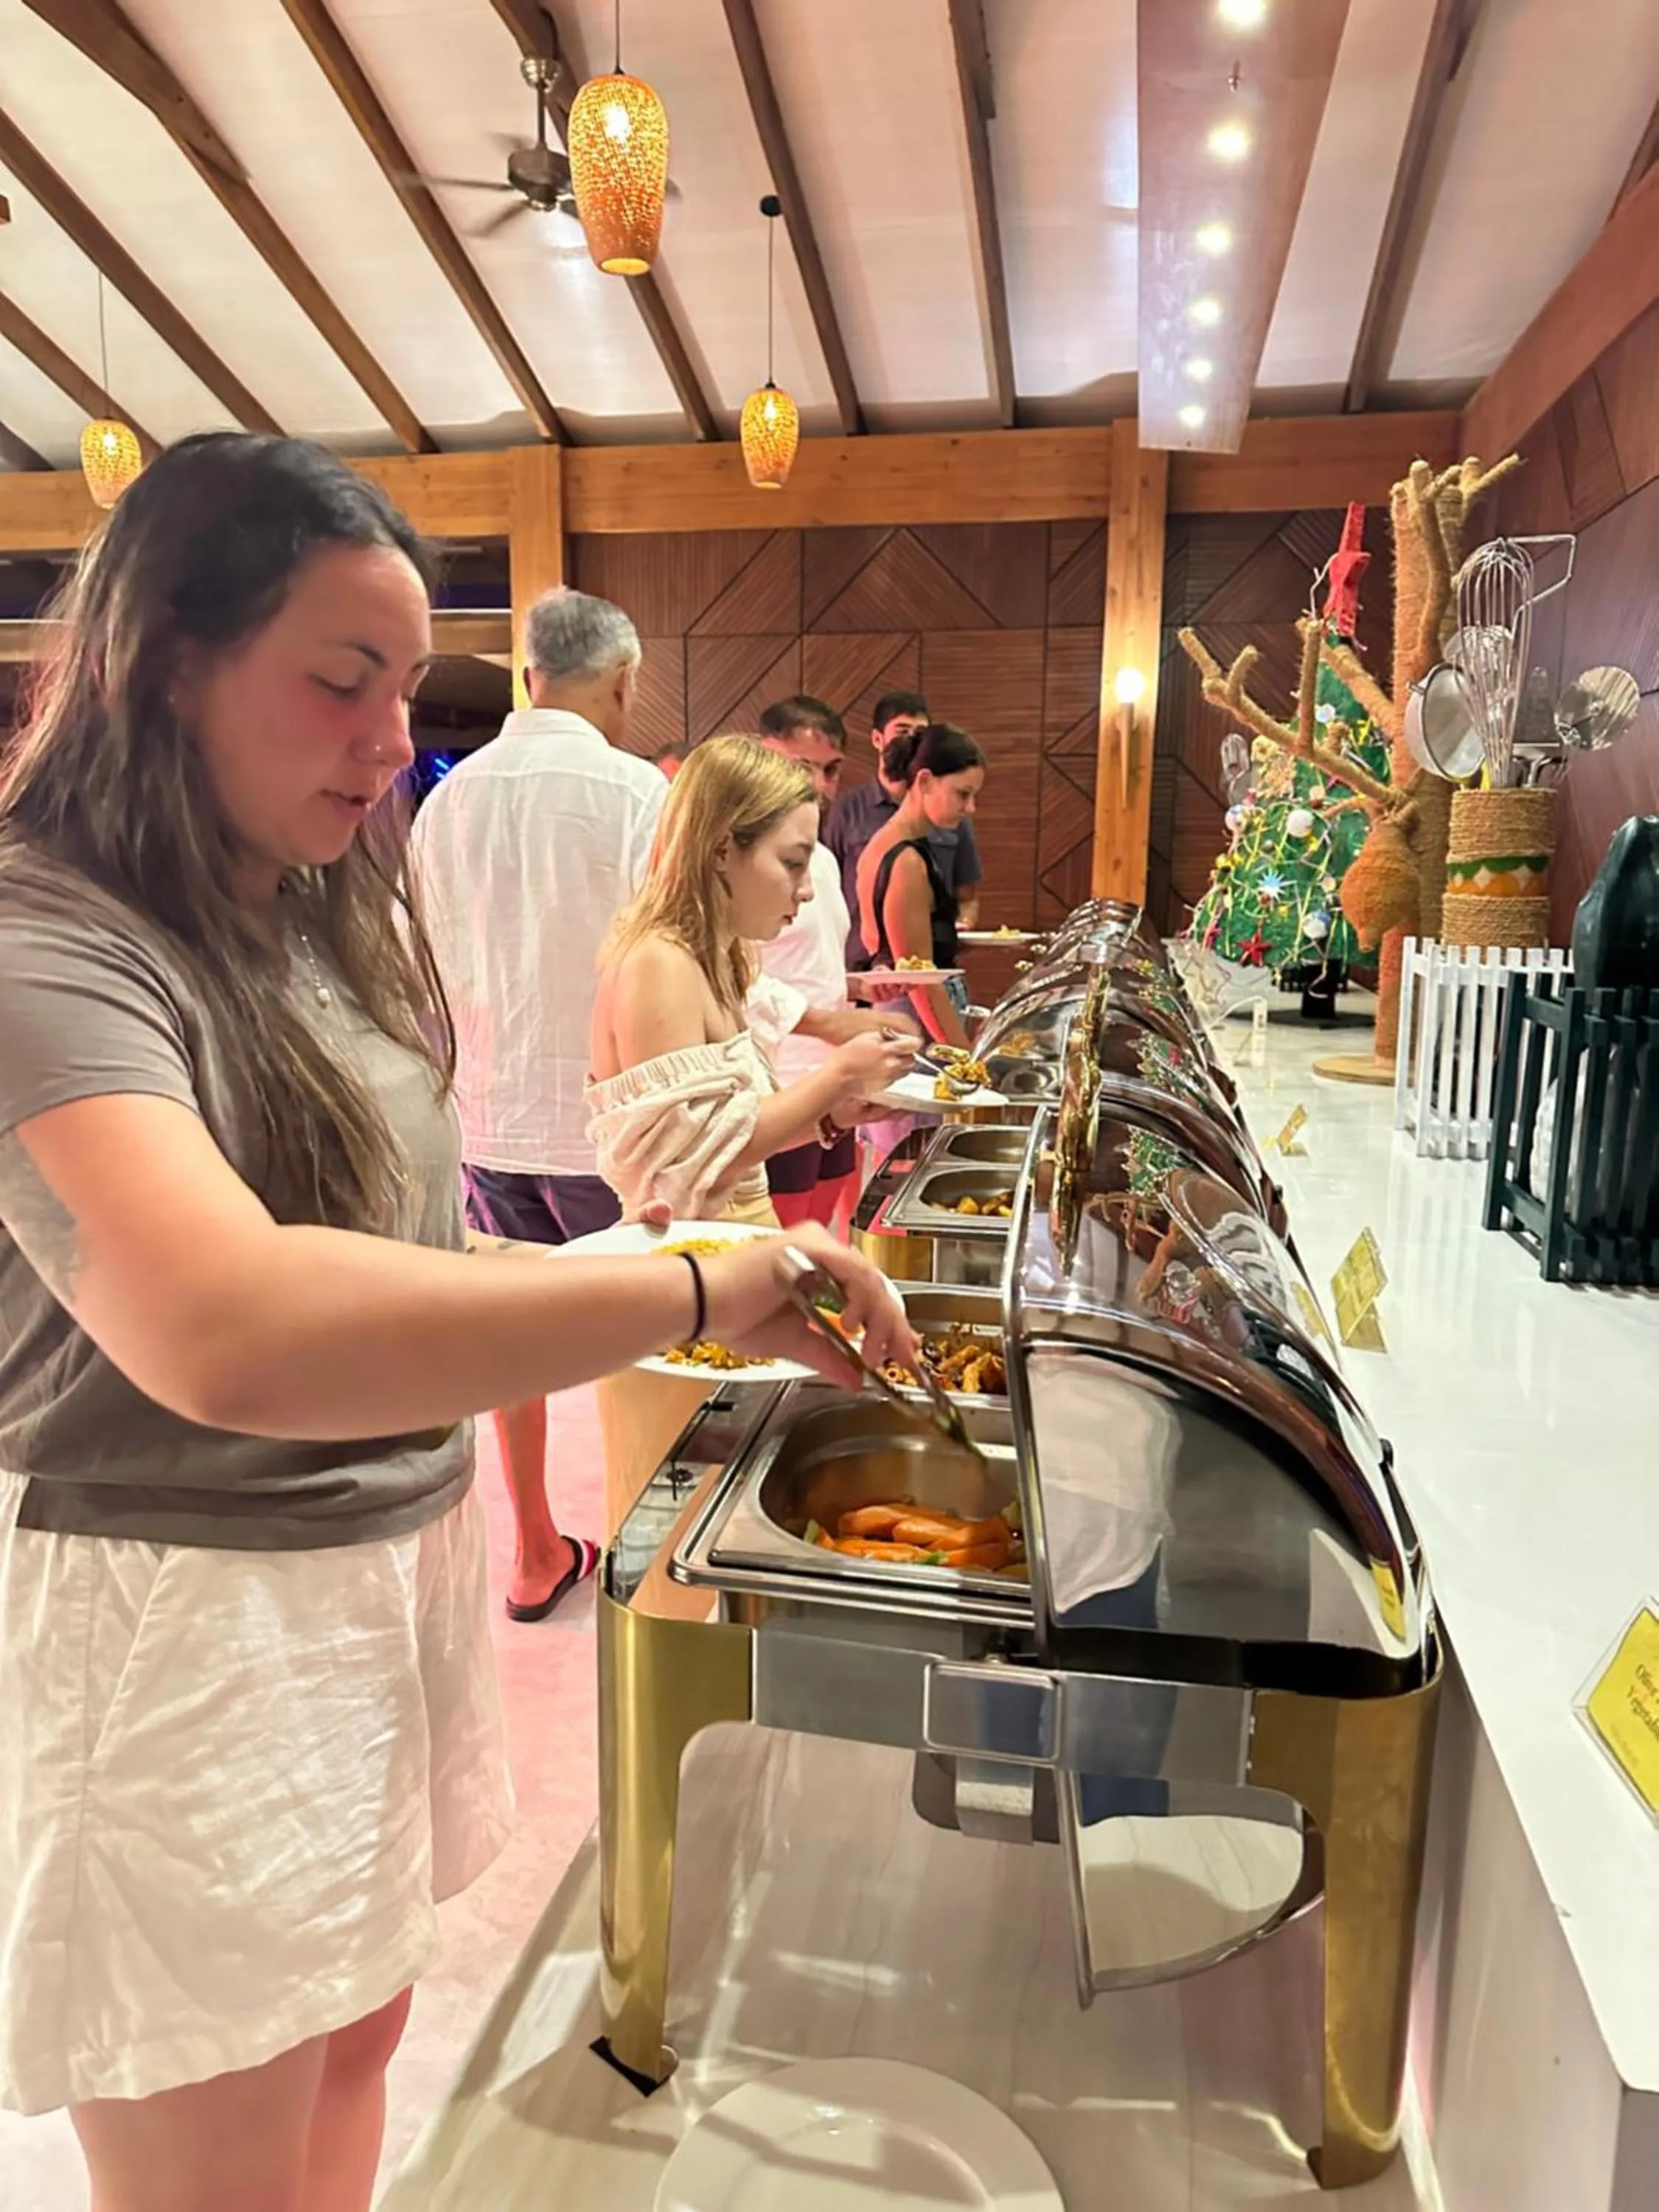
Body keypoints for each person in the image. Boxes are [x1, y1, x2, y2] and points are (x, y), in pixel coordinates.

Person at [0, 434, 915, 2212]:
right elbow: (232, 1322)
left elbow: (415, 1258)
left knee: (353, 2049)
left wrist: (733, 1284)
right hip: (185, 1618)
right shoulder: (48, 942)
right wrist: (694, 1275)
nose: (385, 739)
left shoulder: (311, 919)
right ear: (161, 661)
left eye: (403, 690)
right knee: (215, 2152)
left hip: (376, 1568)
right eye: (340, 685)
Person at [410, 586, 663, 1621]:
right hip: (607, 1118)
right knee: (636, 1343)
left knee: (515, 1343)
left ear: (527, 678)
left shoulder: (448, 798)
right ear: (619, 683)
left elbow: (415, 961)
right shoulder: (636, 792)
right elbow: (675, 954)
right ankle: (647, 1554)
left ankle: (528, 1551)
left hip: (486, 1116)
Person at [588, 736, 917, 1531]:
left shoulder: (718, 952)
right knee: (678, 1551)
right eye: (793, 862)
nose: (806, 892)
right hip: (683, 1295)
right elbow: (681, 1171)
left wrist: (836, 1109)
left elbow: (734, 1133)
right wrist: (831, 1083)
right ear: (721, 849)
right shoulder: (658, 965)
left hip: (737, 1273)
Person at [752, 695, 918, 1232]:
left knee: (831, 1234)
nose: (821, 786)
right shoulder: (743, 863)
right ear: (762, 756)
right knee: (785, 1251)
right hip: (778, 1088)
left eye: (831, 770)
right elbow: (734, 979)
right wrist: (828, 1022)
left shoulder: (822, 860)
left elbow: (804, 962)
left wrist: (859, 990)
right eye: (803, 768)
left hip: (837, 1081)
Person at [824, 689, 984, 964]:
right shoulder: (900, 852)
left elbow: (967, 893)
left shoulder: (936, 828)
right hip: (877, 970)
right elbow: (913, 972)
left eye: (919, 733)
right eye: (962, 794)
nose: (970, 808)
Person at [855, 723, 987, 1050]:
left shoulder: (887, 843)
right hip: (915, 1018)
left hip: (905, 1011)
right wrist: (962, 1057)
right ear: (925, 781)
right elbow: (919, 980)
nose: (970, 809)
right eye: (962, 794)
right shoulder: (906, 861)